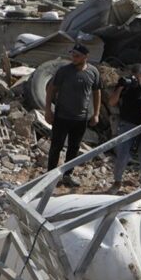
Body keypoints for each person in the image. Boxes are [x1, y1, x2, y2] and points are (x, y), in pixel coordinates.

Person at [44, 44, 101, 186]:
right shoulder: (64, 71)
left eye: (77, 56)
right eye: (72, 55)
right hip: (62, 117)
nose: (73, 58)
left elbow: (97, 92)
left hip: (81, 119)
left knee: (74, 148)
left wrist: (96, 114)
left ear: (85, 57)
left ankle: (67, 175)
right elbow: (51, 89)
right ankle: (50, 176)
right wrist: (48, 110)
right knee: (56, 146)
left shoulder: (93, 72)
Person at [107, 64, 141, 193]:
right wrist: (120, 87)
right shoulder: (126, 85)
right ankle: (117, 182)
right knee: (122, 154)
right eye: (133, 78)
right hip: (127, 123)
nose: (134, 81)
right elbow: (111, 102)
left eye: (137, 78)